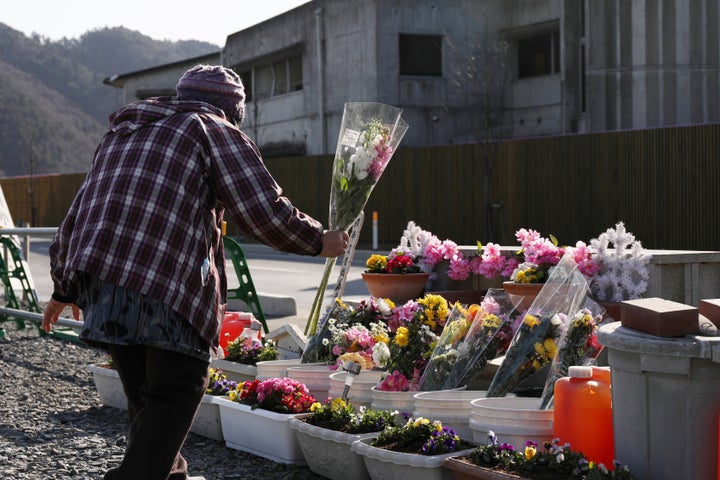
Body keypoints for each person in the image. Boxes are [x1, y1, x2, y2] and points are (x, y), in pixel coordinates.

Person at [42, 64, 349, 480]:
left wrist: (64, 286)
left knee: (148, 403)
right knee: (177, 390)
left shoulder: (125, 132)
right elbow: (262, 211)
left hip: (103, 284)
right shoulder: (212, 129)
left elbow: (78, 213)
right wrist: (318, 239)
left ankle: (172, 475)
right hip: (165, 285)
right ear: (233, 109)